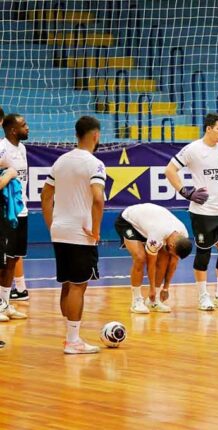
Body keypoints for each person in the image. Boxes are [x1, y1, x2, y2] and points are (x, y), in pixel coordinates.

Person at [40, 116, 106, 354]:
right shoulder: (95, 164)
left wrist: (52, 224)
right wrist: (97, 229)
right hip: (81, 232)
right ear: (96, 135)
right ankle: (73, 341)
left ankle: (70, 335)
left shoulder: (60, 161)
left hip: (60, 230)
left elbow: (45, 196)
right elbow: (98, 198)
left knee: (67, 285)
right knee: (79, 286)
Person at [165, 112, 218, 311]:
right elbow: (169, 171)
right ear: (208, 128)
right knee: (203, 253)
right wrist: (185, 192)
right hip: (202, 211)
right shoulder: (192, 150)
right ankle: (203, 295)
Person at [114, 203, 194, 313]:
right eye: (172, 252)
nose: (172, 254)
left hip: (148, 222)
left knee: (165, 258)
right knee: (140, 258)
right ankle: (136, 301)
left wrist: (165, 288)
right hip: (128, 221)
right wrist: (151, 288)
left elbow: (173, 263)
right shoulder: (157, 234)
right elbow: (151, 263)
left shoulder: (183, 235)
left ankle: (153, 302)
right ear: (172, 245)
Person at [0, 113, 29, 320]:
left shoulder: (22, 148)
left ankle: (5, 303)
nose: (27, 128)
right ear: (12, 130)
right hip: (5, 212)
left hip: (22, 210)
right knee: (4, 260)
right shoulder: (1, 148)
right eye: (23, 125)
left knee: (14, 259)